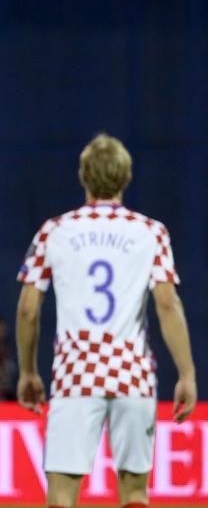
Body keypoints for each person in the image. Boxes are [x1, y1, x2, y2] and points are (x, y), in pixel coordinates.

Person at [15, 134, 198, 508]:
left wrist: (28, 372)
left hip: (75, 374)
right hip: (132, 373)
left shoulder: (55, 230)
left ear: (83, 176)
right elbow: (167, 304)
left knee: (62, 496)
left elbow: (27, 309)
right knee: (134, 494)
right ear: (126, 176)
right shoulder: (151, 232)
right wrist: (187, 373)